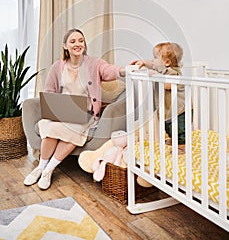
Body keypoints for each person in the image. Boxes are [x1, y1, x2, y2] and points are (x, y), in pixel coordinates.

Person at [24, 28, 126, 189]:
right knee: (51, 126)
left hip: (85, 115)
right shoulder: (58, 67)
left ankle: (48, 170)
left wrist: (123, 70)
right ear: (65, 46)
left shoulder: (95, 64)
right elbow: (50, 91)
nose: (77, 44)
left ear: (84, 44)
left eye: (80, 40)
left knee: (76, 129)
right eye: (73, 41)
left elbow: (109, 71)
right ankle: (40, 167)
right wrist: (56, 106)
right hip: (61, 113)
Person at [131, 42, 187, 153]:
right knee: (169, 126)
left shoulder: (173, 73)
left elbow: (167, 85)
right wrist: (143, 63)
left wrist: (154, 75)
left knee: (179, 129)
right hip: (168, 110)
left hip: (179, 110)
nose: (153, 61)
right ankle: (172, 139)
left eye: (155, 58)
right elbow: (153, 65)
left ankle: (181, 146)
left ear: (166, 62)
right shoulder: (162, 69)